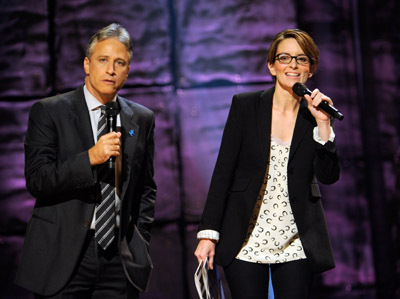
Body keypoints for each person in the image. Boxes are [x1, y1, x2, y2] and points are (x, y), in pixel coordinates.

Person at [194, 28, 340, 298]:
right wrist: (208, 233)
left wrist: (323, 125)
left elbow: (329, 175)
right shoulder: (246, 106)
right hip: (245, 237)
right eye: (284, 57)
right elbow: (223, 171)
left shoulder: (314, 116)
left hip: (296, 240)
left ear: (311, 69)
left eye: (302, 59)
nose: (293, 65)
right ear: (272, 66)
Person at [15, 23, 157, 299]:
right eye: (103, 60)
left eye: (120, 63)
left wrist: (139, 239)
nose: (111, 70)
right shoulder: (50, 111)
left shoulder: (141, 118)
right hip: (63, 256)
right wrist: (90, 158)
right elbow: (37, 179)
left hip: (117, 258)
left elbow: (145, 188)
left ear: (128, 71)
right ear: (87, 64)